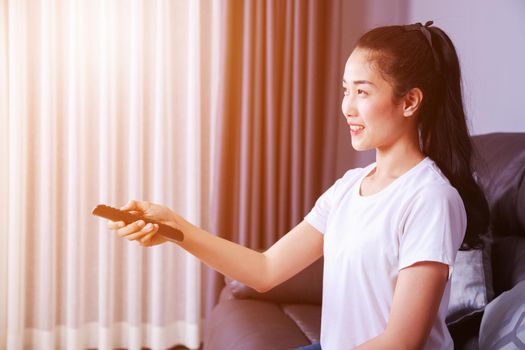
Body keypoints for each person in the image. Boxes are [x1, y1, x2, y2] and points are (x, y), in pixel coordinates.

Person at [107, 21, 489, 349]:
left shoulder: (431, 199)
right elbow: (265, 269)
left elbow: (400, 342)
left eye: (362, 91)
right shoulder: (349, 188)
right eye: (345, 90)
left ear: (409, 102)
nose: (347, 107)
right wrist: (176, 228)